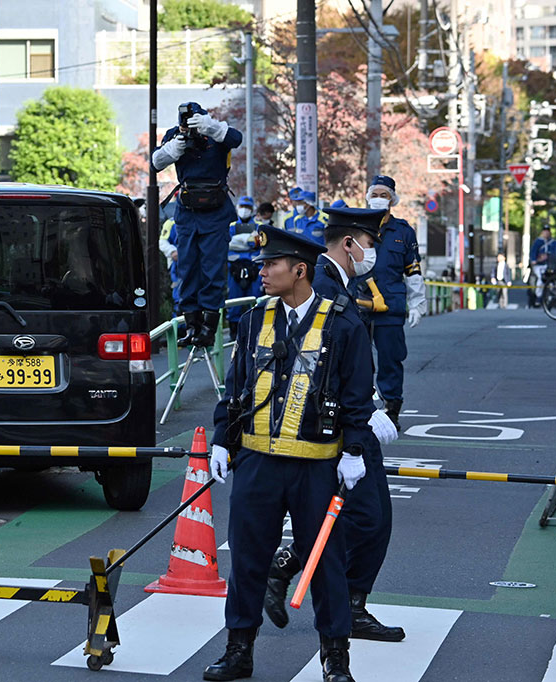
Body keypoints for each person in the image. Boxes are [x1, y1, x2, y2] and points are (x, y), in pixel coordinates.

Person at [204, 225, 374, 682]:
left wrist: (354, 449)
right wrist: (222, 439)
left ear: (300, 270)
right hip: (256, 461)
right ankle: (239, 651)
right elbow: (236, 387)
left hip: (316, 465)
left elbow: (358, 394)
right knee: (247, 559)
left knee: (326, 563)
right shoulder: (253, 319)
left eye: (271, 264)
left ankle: (335, 659)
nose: (261, 272)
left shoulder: (342, 322)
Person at [261, 207, 404, 647]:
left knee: (366, 518)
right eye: (370, 244)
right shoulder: (320, 285)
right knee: (366, 518)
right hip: (332, 426)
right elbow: (310, 363)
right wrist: (364, 411)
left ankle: (337, 596)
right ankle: (300, 578)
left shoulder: (339, 283)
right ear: (349, 244)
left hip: (345, 418)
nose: (373, 254)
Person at [153, 102, 243, 347]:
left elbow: (236, 139)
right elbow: (155, 163)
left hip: (215, 211)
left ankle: (208, 328)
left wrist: (211, 128)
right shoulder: (175, 135)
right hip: (188, 211)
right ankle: (191, 325)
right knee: (187, 268)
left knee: (213, 270)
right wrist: (175, 146)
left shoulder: (217, 133)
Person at [354, 175, 425, 430]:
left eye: (384, 195)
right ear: (367, 197)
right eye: (374, 195)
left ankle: (391, 410)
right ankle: (359, 409)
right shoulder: (355, 228)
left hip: (390, 307)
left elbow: (413, 271)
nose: (378, 199)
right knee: (357, 361)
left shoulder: (403, 232)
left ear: (392, 200)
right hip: (358, 304)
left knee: (390, 360)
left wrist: (418, 304)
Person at [226, 196, 263, 339]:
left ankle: (255, 330)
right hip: (234, 268)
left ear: (252, 209)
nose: (244, 210)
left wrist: (239, 243)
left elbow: (259, 244)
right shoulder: (230, 226)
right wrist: (249, 241)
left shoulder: (259, 226)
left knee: (255, 299)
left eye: (247, 207)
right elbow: (227, 244)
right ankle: (234, 332)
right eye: (242, 207)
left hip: (255, 267)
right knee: (234, 300)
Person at [529, 225, 556, 305]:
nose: (546, 233)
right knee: (541, 279)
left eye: (547, 231)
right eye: (545, 231)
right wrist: (534, 260)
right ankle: (539, 297)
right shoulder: (538, 242)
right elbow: (533, 252)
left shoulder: (553, 242)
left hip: (550, 265)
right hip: (539, 265)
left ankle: (551, 296)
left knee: (553, 279)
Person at [159, 216, 182, 317]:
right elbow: (162, 241)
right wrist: (172, 251)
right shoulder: (171, 222)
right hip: (177, 264)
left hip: (196, 263)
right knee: (179, 298)